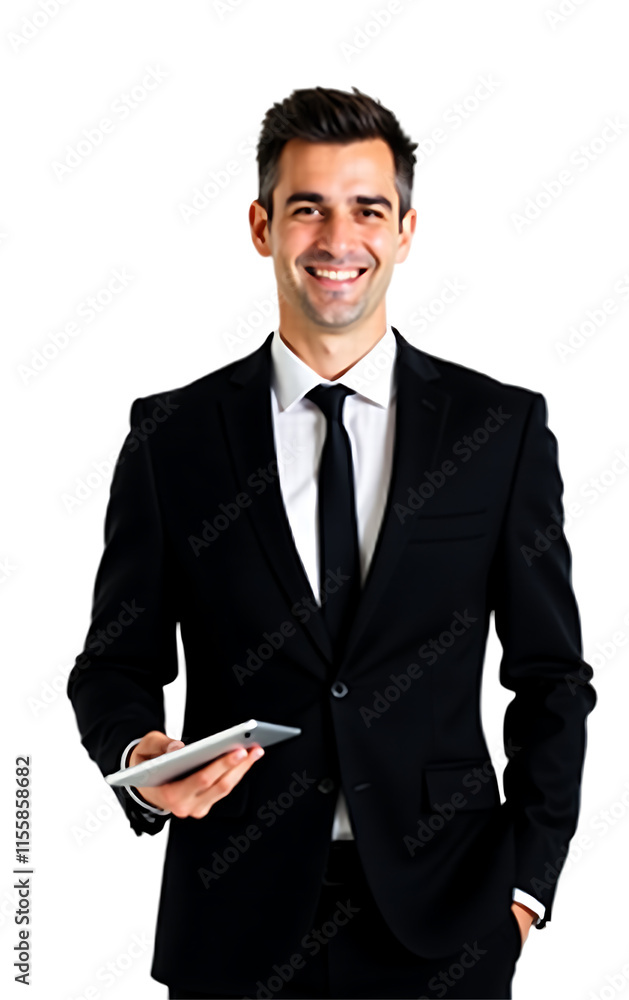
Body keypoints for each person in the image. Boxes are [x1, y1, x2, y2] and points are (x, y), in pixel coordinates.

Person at [67, 86, 596, 999]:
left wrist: (522, 889)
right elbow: (113, 665)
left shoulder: (497, 429)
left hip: (448, 918)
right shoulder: (174, 439)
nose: (336, 238)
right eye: (306, 207)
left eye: (367, 209)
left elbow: (551, 679)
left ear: (404, 230)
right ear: (261, 225)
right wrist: (140, 762)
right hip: (233, 917)